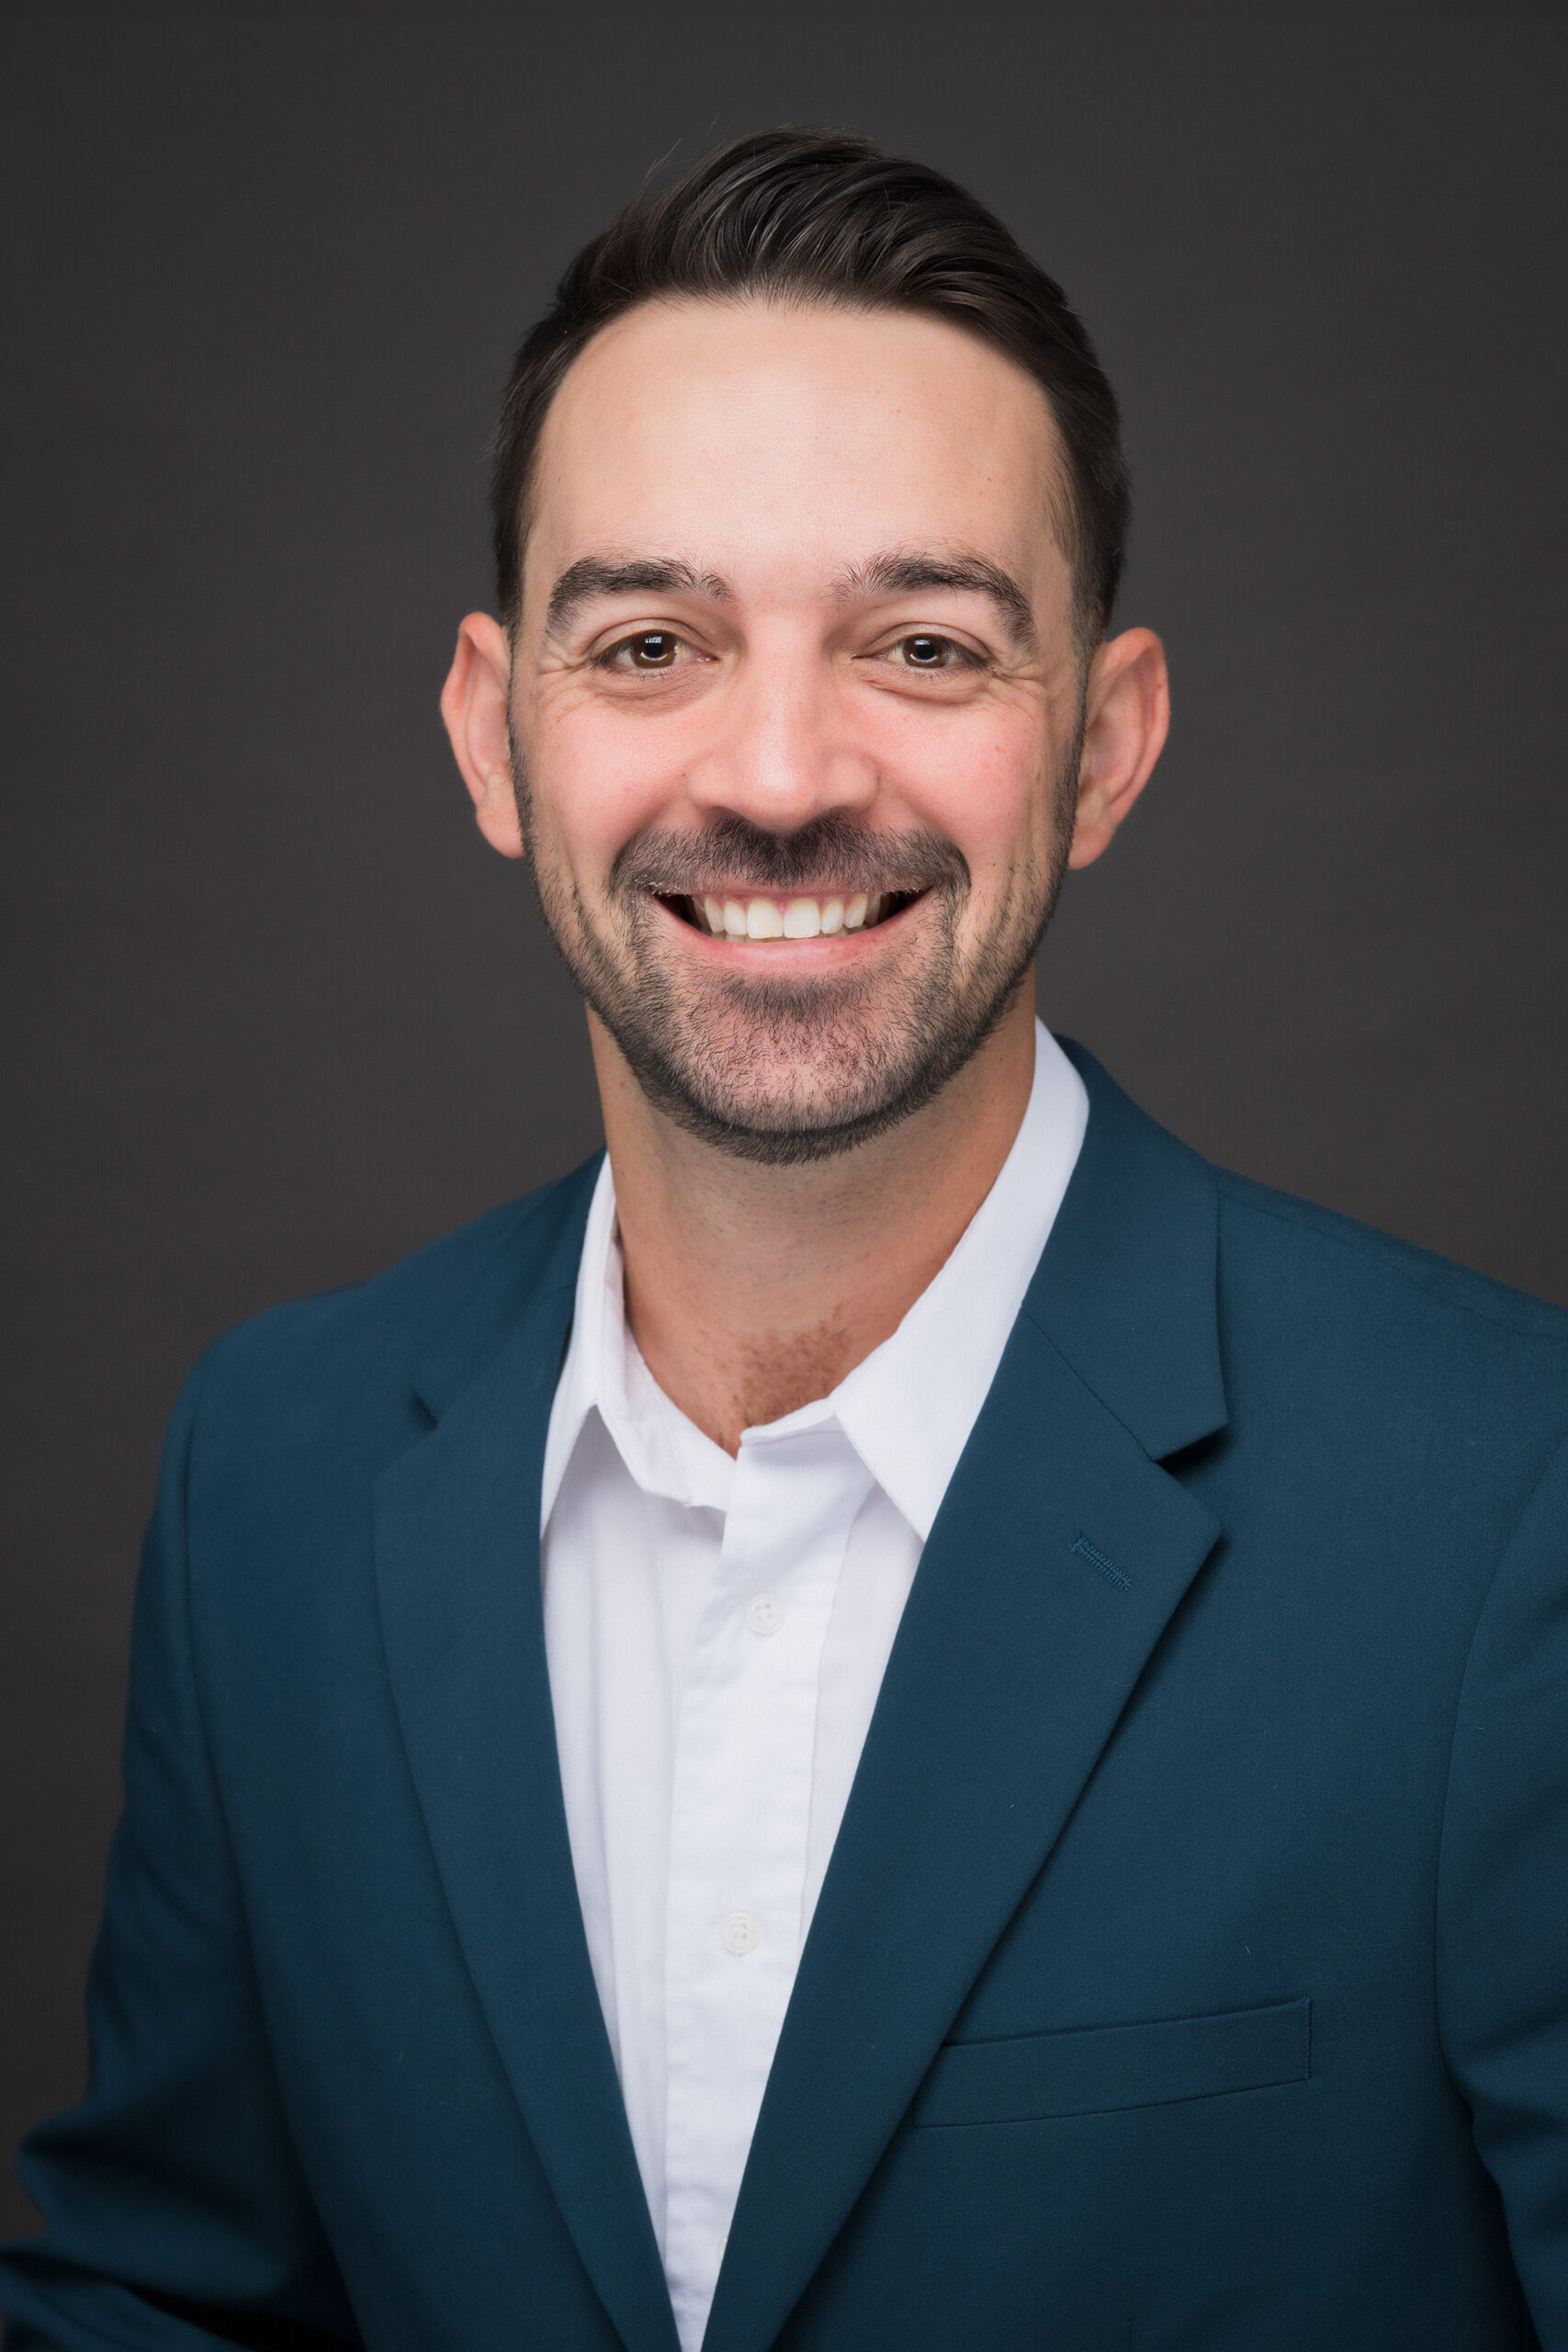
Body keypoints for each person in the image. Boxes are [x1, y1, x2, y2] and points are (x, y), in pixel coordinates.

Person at [3, 124, 1566, 2352]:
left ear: (1103, 746)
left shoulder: (1509, 1507)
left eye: (921, 643)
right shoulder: (269, 1471)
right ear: (494, 737)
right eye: (649, 641)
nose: (773, 773)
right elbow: (170, 2298)